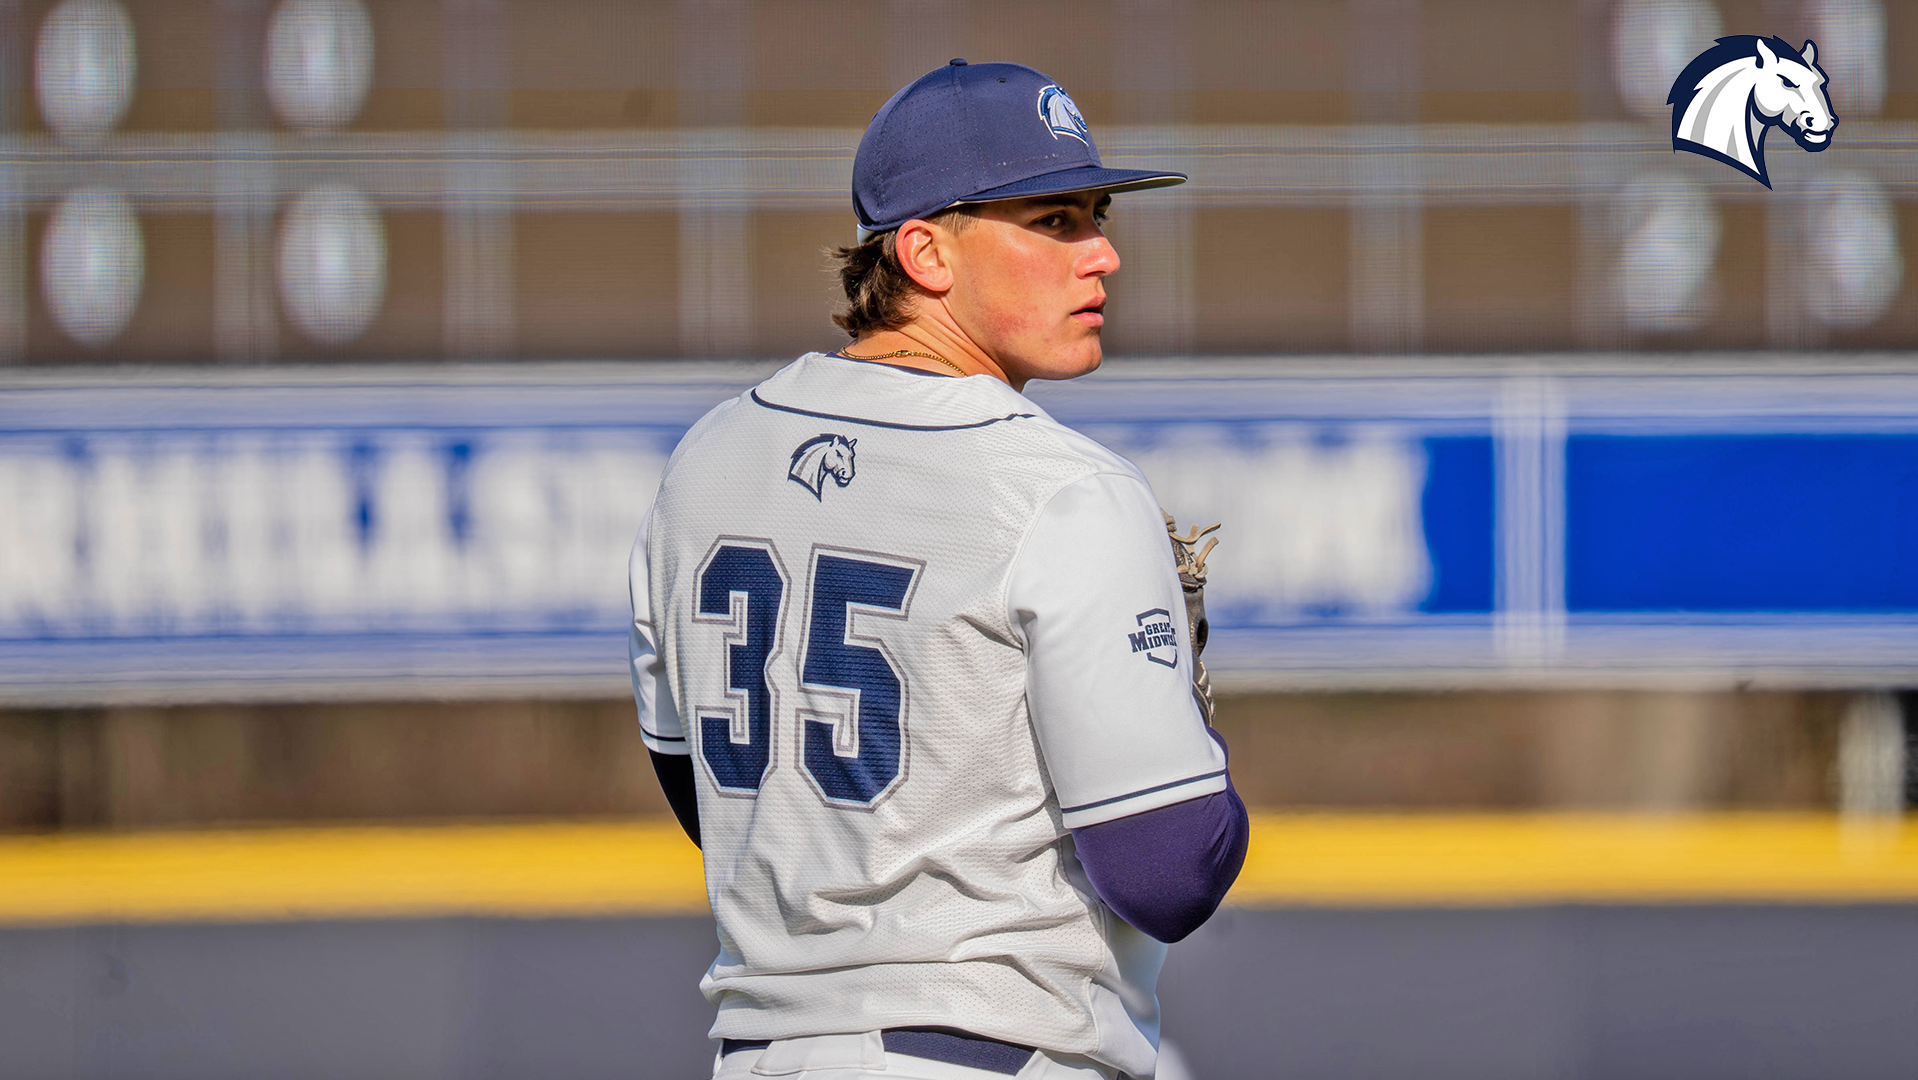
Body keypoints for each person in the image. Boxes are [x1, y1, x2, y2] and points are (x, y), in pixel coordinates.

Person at [630, 59, 1248, 1080]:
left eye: (1096, 215)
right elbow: (1167, 868)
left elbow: (707, 796)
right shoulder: (1056, 486)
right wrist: (1189, 738)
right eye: (1053, 221)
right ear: (924, 251)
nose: (1102, 255)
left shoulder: (704, 461)